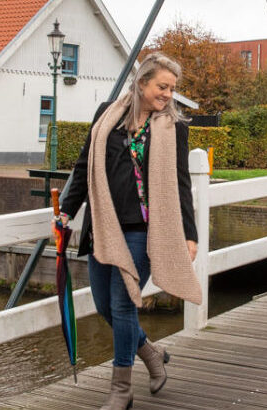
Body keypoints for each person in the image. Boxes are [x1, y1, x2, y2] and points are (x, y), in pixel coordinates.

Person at [58, 52, 203, 410]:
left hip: (143, 231)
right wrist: (66, 210)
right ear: (142, 83)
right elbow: (83, 165)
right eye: (162, 86)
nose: (168, 94)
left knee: (124, 305)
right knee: (105, 305)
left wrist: (190, 232)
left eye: (172, 88)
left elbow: (181, 183)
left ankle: (121, 389)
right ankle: (151, 354)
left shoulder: (174, 128)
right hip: (102, 225)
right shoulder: (107, 115)